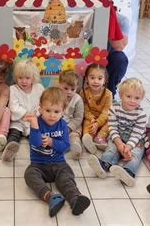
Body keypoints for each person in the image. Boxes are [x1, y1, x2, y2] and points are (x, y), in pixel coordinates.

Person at [24, 87, 90, 217]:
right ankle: (51, 198)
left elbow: (65, 146)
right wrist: (35, 126)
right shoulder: (36, 122)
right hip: (39, 164)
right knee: (29, 175)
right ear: (40, 108)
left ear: (63, 111)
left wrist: (51, 142)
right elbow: (36, 143)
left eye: (56, 111)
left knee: (66, 176)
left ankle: (75, 199)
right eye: (47, 110)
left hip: (58, 163)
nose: (52, 115)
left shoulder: (63, 125)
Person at [88, 78, 147, 186]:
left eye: (137, 98)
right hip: (117, 136)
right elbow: (113, 127)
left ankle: (128, 172)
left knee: (135, 155)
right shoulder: (114, 108)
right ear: (121, 95)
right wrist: (119, 144)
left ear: (141, 98)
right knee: (112, 149)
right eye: (128, 96)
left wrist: (128, 147)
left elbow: (137, 134)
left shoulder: (141, 114)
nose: (132, 100)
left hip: (135, 140)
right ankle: (104, 164)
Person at [91, 0, 129, 98]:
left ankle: (109, 93)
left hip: (108, 59)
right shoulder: (88, 14)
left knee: (120, 58)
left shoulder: (121, 19)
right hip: (89, 56)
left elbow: (120, 46)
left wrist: (108, 20)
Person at [2, 59, 44, 162]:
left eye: (27, 78)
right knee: (14, 134)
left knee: (36, 136)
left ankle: (39, 151)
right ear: (16, 78)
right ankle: (10, 148)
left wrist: (36, 114)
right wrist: (25, 114)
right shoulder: (13, 89)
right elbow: (13, 106)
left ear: (33, 77)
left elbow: (43, 103)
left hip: (34, 121)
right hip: (18, 121)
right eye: (20, 78)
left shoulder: (39, 88)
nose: (24, 81)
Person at [80, 63, 113, 154]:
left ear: (105, 80)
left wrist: (98, 123)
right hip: (90, 119)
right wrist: (92, 120)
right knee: (86, 126)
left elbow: (106, 111)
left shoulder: (108, 94)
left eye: (99, 78)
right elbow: (84, 109)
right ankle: (88, 139)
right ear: (87, 79)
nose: (95, 81)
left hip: (104, 119)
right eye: (92, 77)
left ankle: (100, 137)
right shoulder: (83, 92)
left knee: (111, 122)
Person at [58, 70, 84, 159]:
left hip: (73, 125)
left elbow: (78, 118)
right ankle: (63, 145)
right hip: (59, 125)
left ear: (76, 87)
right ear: (59, 84)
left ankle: (76, 147)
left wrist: (69, 128)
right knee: (56, 135)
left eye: (72, 89)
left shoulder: (78, 99)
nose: (69, 92)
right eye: (66, 88)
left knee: (74, 136)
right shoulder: (56, 96)